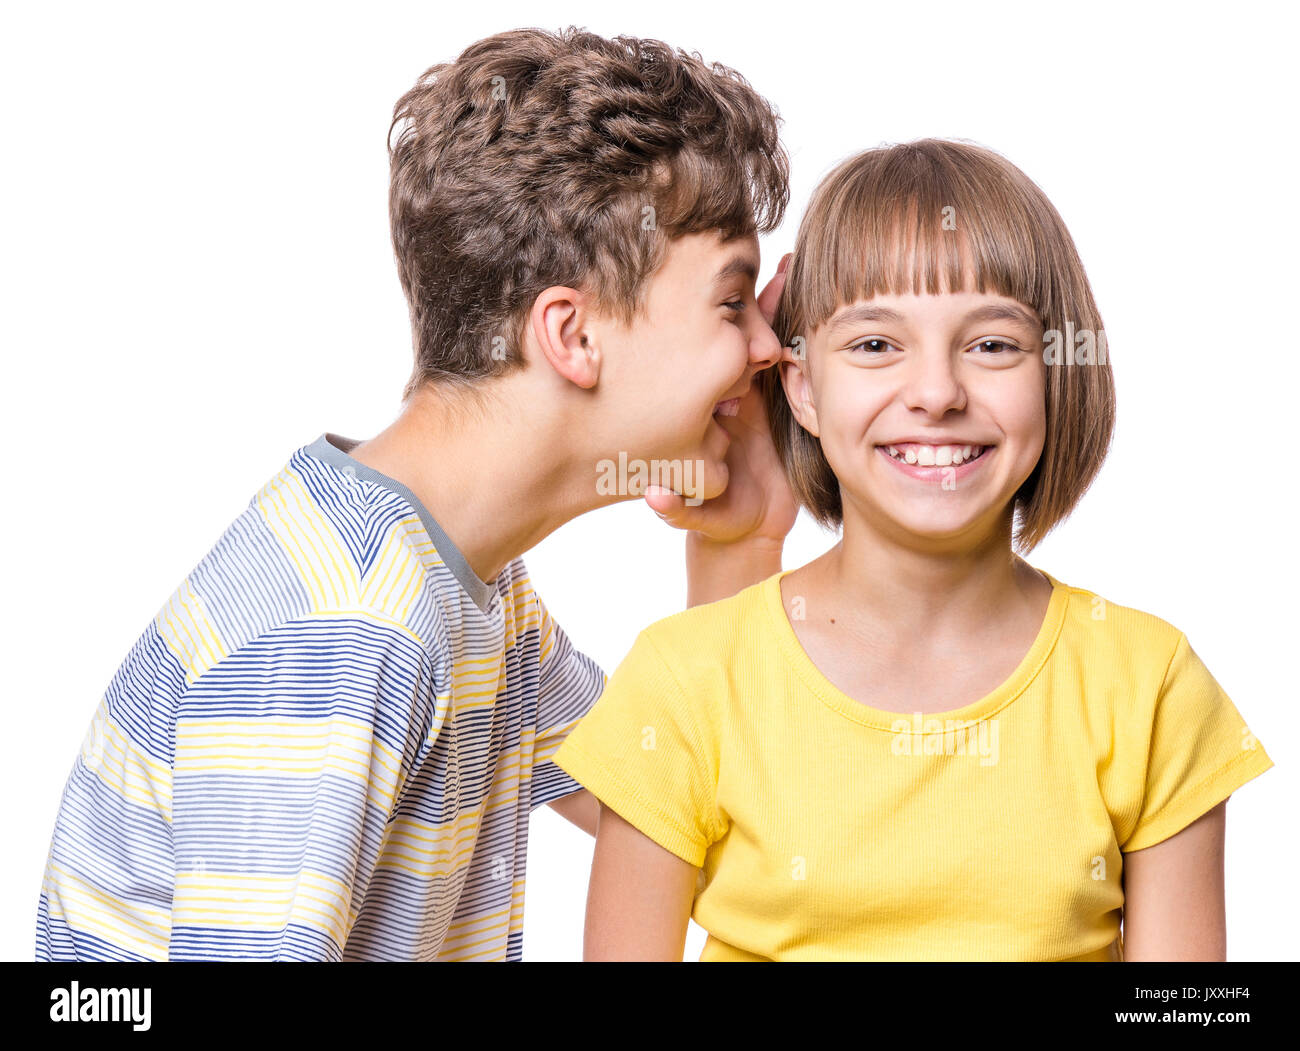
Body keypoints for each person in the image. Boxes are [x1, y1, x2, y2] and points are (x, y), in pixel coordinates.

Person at [34, 26, 798, 961]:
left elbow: (670, 806)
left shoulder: (473, 587)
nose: (766, 348)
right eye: (733, 302)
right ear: (573, 335)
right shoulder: (342, 630)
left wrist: (740, 548)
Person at [553, 138, 1275, 962]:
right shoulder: (682, 676)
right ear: (802, 389)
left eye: (993, 344)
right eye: (874, 345)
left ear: (1057, 374)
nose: (937, 393)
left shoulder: (1150, 683)